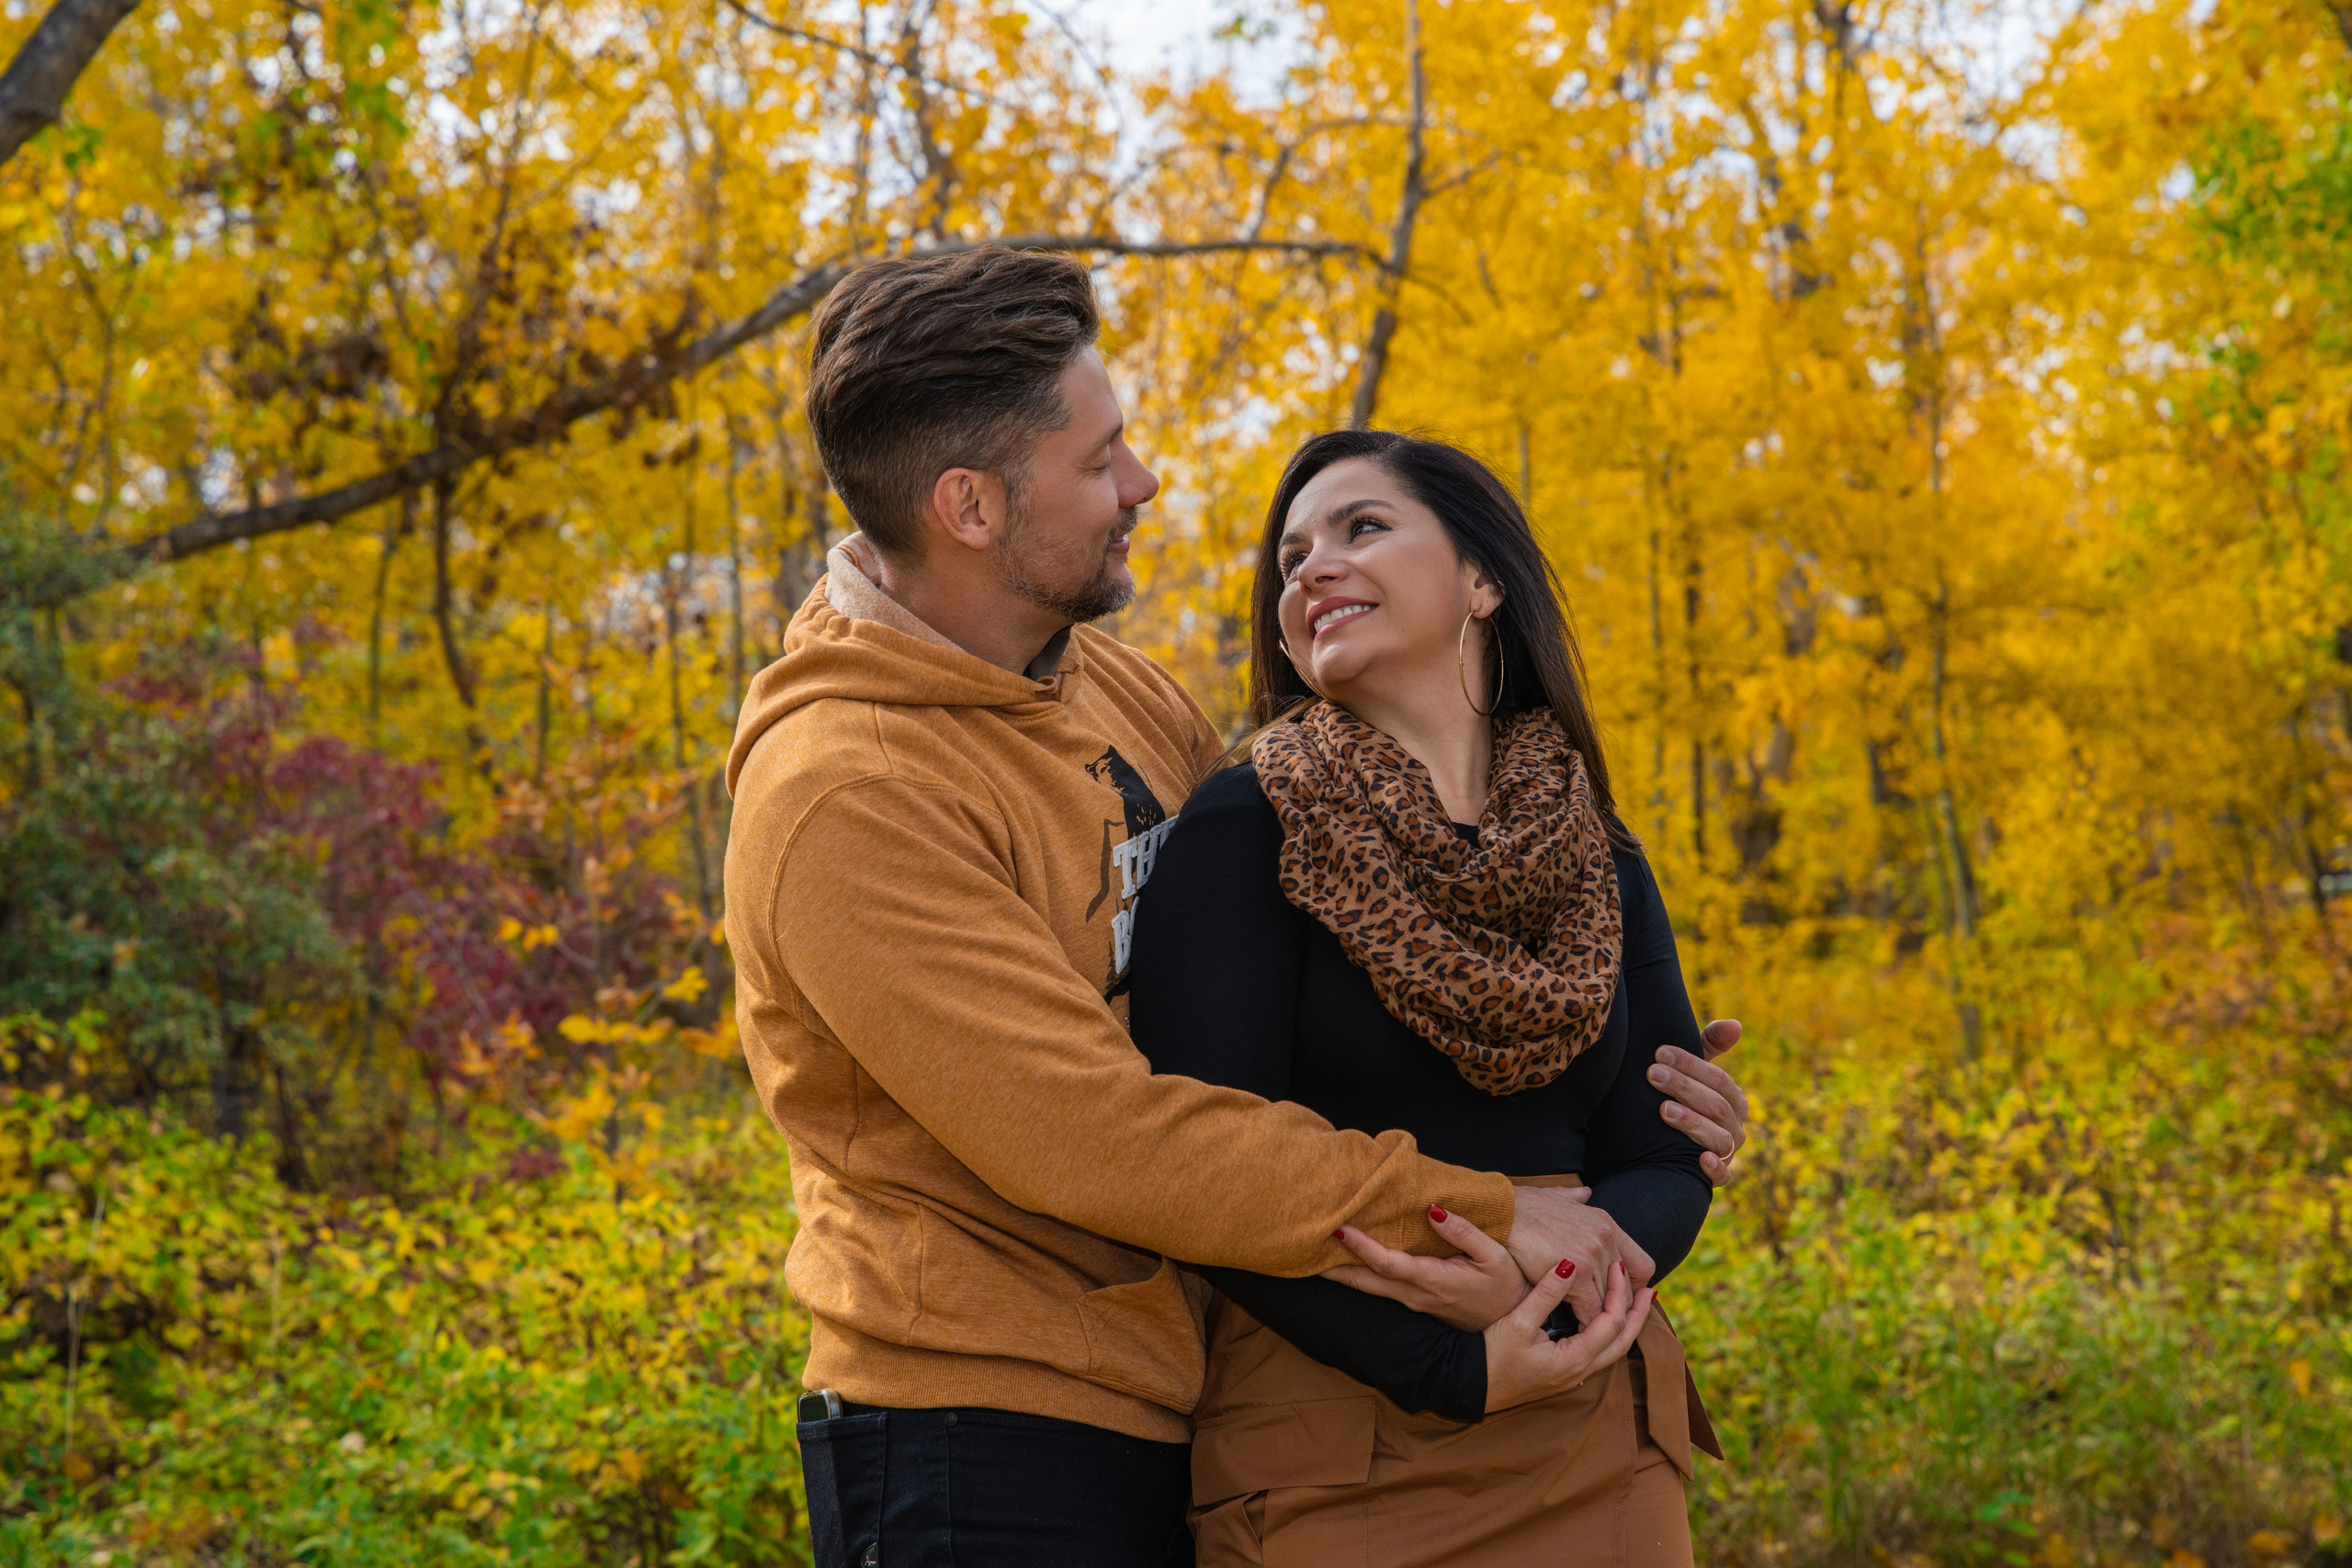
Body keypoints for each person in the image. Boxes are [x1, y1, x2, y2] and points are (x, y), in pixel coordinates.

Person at [721, 244, 1751, 1568]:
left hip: (1187, 1383)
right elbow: (1102, 1131)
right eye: (1100, 462)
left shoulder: (1122, 695)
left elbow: (1307, 971)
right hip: (978, 1425)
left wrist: (1618, 1084)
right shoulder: (849, 793)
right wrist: (1490, 1214)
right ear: (970, 505)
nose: (1142, 483)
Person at [1128, 430, 1721, 1566]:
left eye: (1362, 528)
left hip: (1590, 1415)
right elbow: (1202, 1169)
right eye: (1291, 556)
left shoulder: (1596, 852)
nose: (1308, 569)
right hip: (1343, 1439)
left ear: (1484, 580)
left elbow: (1660, 1151)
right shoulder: (1242, 827)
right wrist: (1449, 1363)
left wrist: (1539, 1282)